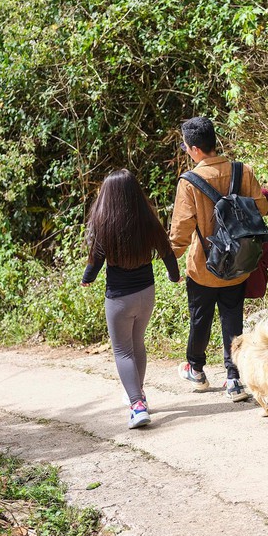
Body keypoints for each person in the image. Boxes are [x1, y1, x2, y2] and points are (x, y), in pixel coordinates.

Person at [170, 117, 268, 402]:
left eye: (186, 147)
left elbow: (182, 228)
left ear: (195, 149)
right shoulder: (243, 171)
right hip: (239, 263)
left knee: (200, 318)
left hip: (204, 266)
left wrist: (169, 258)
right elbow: (261, 206)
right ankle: (234, 379)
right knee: (232, 318)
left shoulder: (189, 182)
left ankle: (197, 371)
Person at [81, 169, 180, 429]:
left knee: (123, 351)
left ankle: (137, 405)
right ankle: (138, 392)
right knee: (137, 344)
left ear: (108, 196)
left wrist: (88, 278)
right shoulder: (147, 218)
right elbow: (166, 251)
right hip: (146, 293)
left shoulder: (103, 222)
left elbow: (96, 258)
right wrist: (174, 275)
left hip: (119, 299)